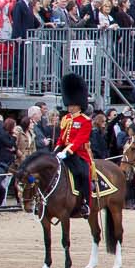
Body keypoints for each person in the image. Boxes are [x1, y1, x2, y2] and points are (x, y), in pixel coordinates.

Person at [56, 72, 95, 216]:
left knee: (82, 173)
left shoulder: (85, 121)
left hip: (78, 154)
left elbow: (80, 140)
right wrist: (56, 149)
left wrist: (67, 151)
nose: (70, 107)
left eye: (72, 105)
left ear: (79, 105)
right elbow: (61, 137)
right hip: (62, 150)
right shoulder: (66, 118)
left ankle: (85, 202)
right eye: (69, 104)